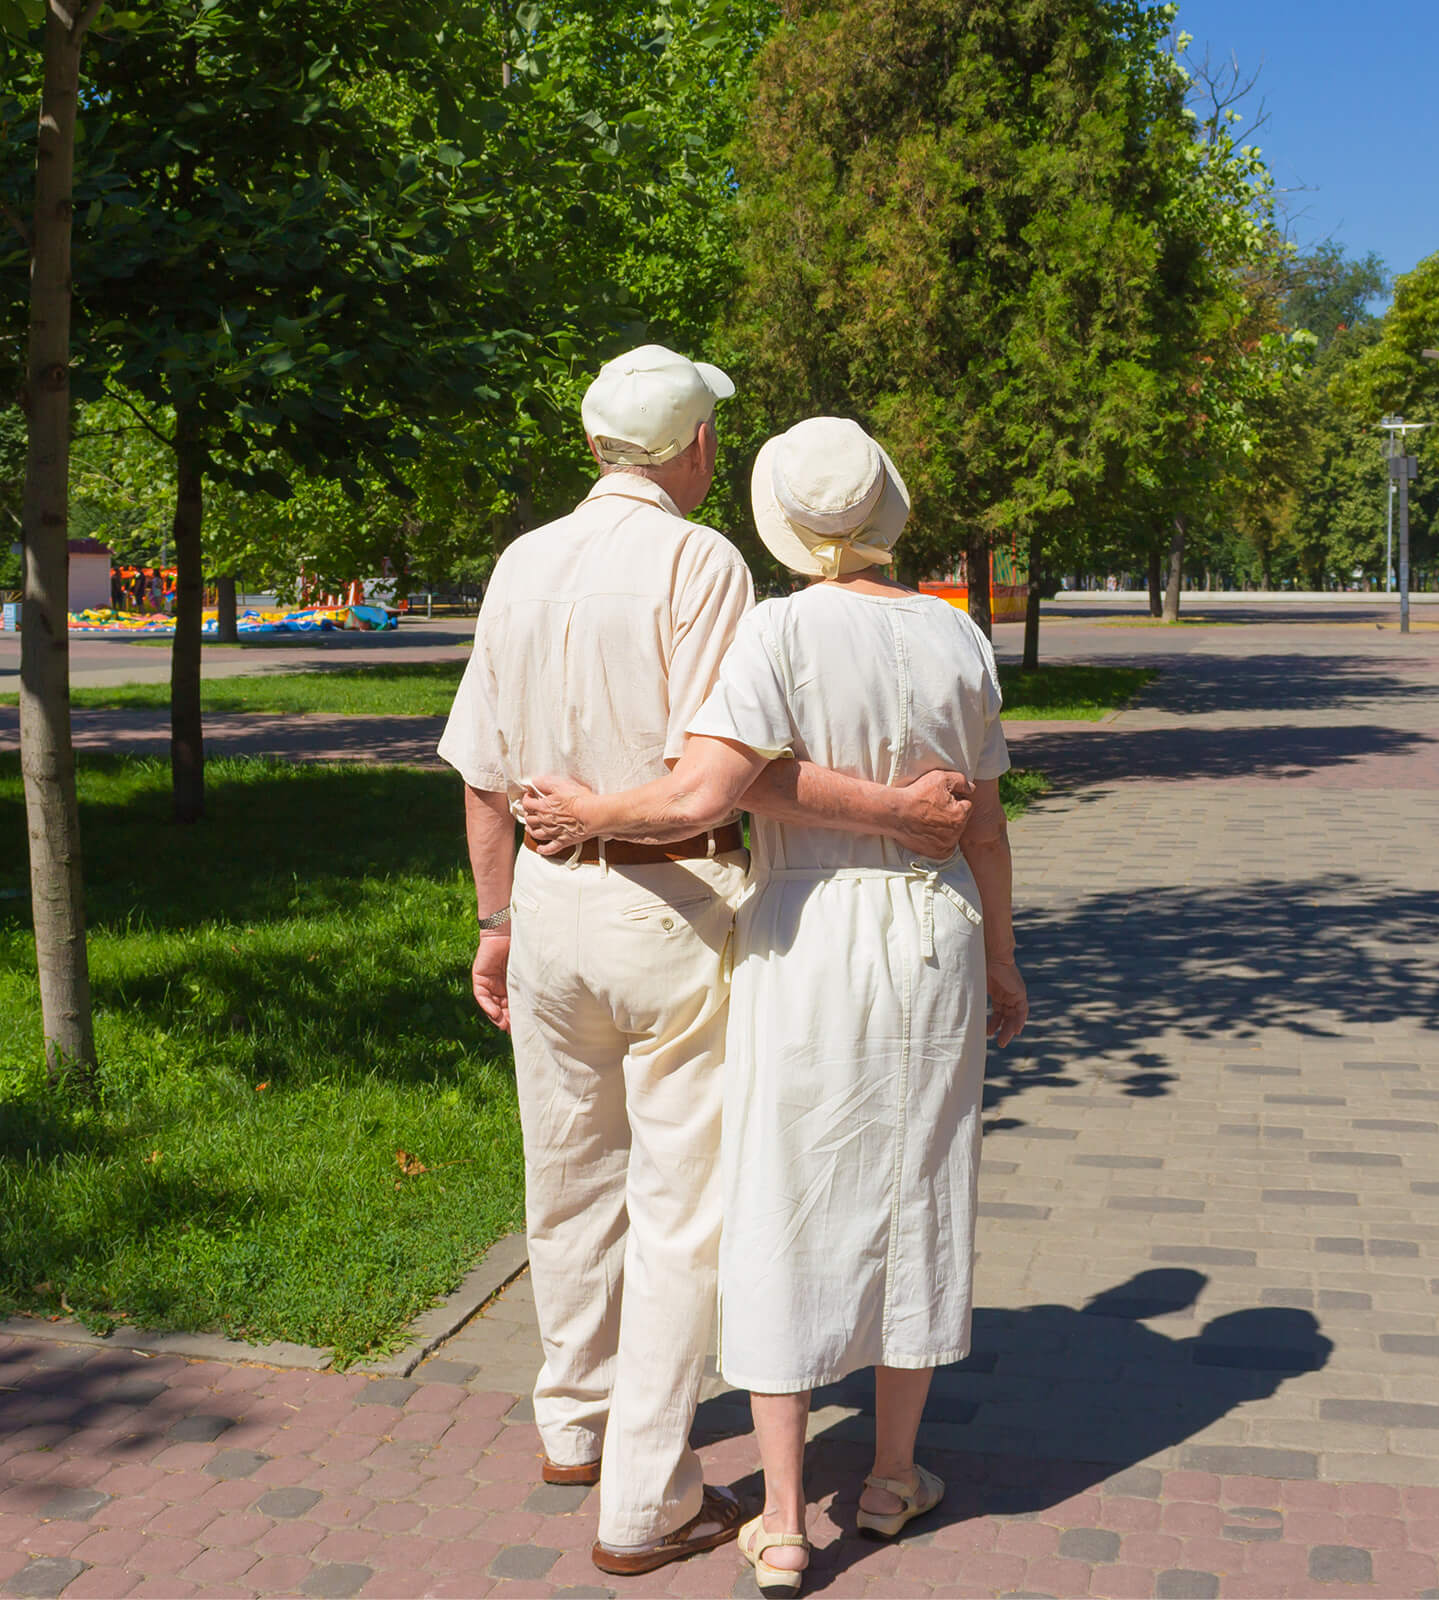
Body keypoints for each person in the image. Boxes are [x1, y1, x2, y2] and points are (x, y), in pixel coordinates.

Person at [436, 351, 973, 1578]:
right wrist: (898, 813)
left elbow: (480, 765)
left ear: (591, 447)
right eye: (710, 438)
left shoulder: (521, 559)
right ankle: (645, 1500)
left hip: (547, 906)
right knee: (679, 1214)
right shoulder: (701, 561)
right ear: (685, 449)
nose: (716, 457)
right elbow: (724, 774)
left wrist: (494, 918)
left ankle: (570, 1422)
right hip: (669, 908)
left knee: (565, 1178)